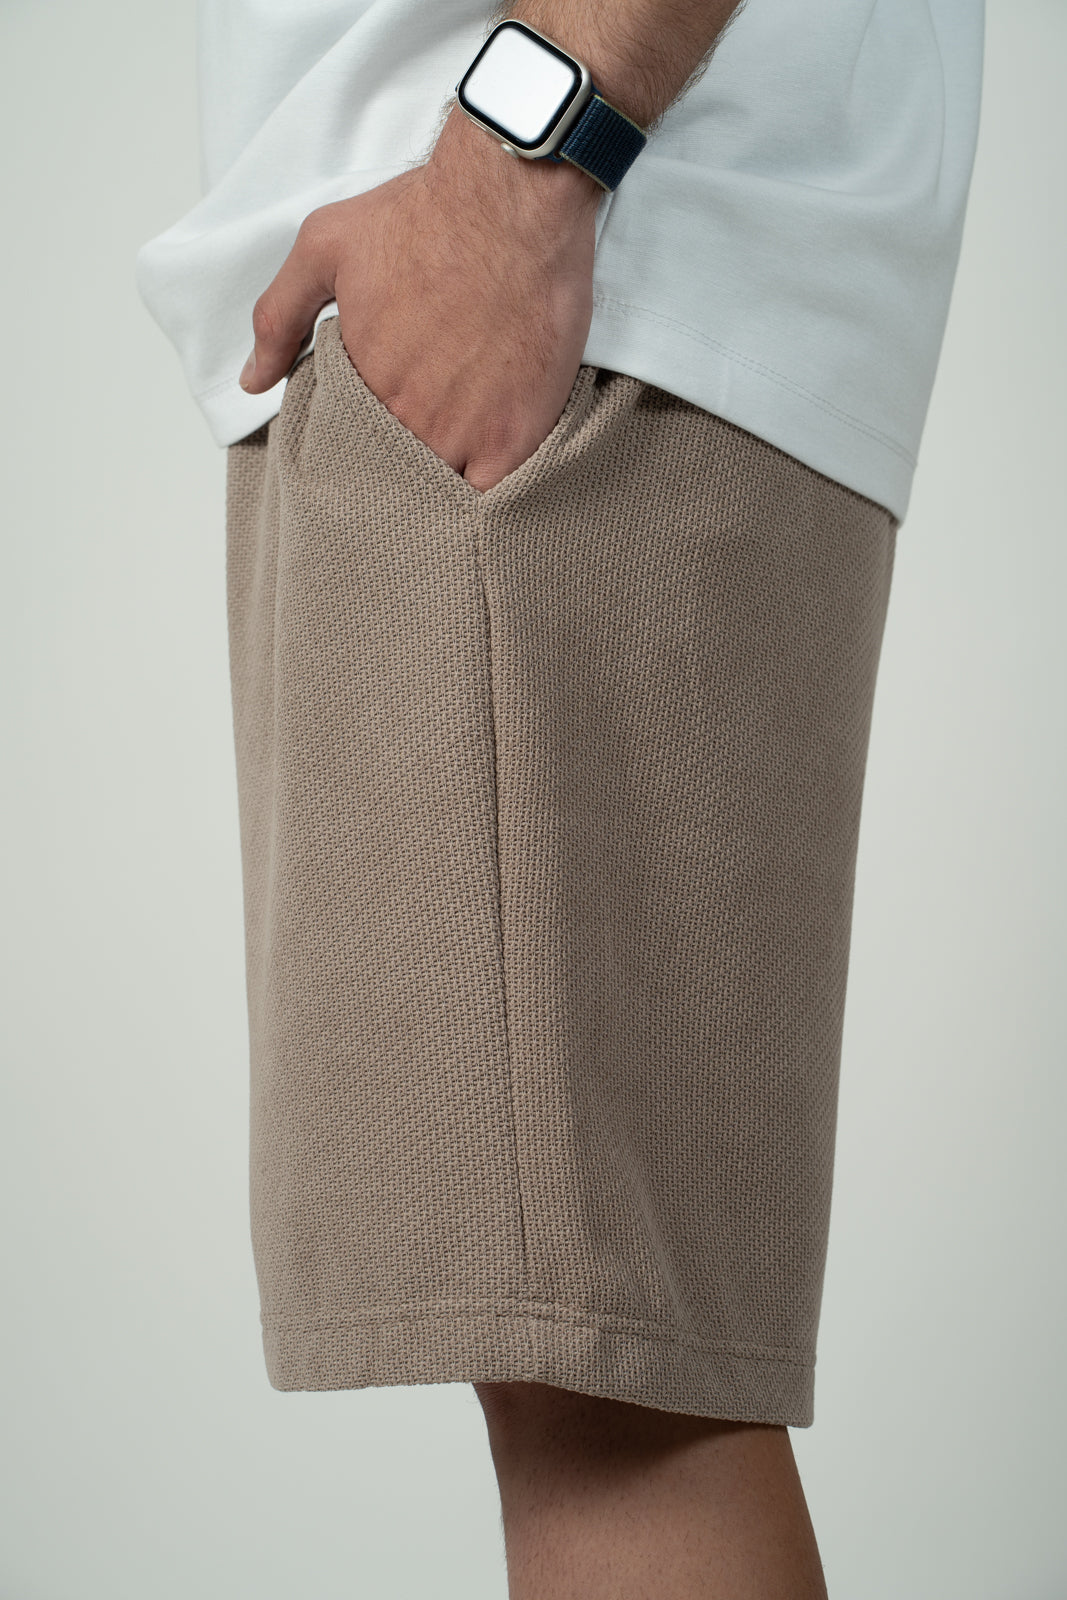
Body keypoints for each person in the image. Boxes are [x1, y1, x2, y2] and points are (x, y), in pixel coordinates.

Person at [136, 1, 984, 1593]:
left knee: (604, 1387)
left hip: (561, 268)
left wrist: (523, 155)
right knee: (609, 1359)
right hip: (588, 276)